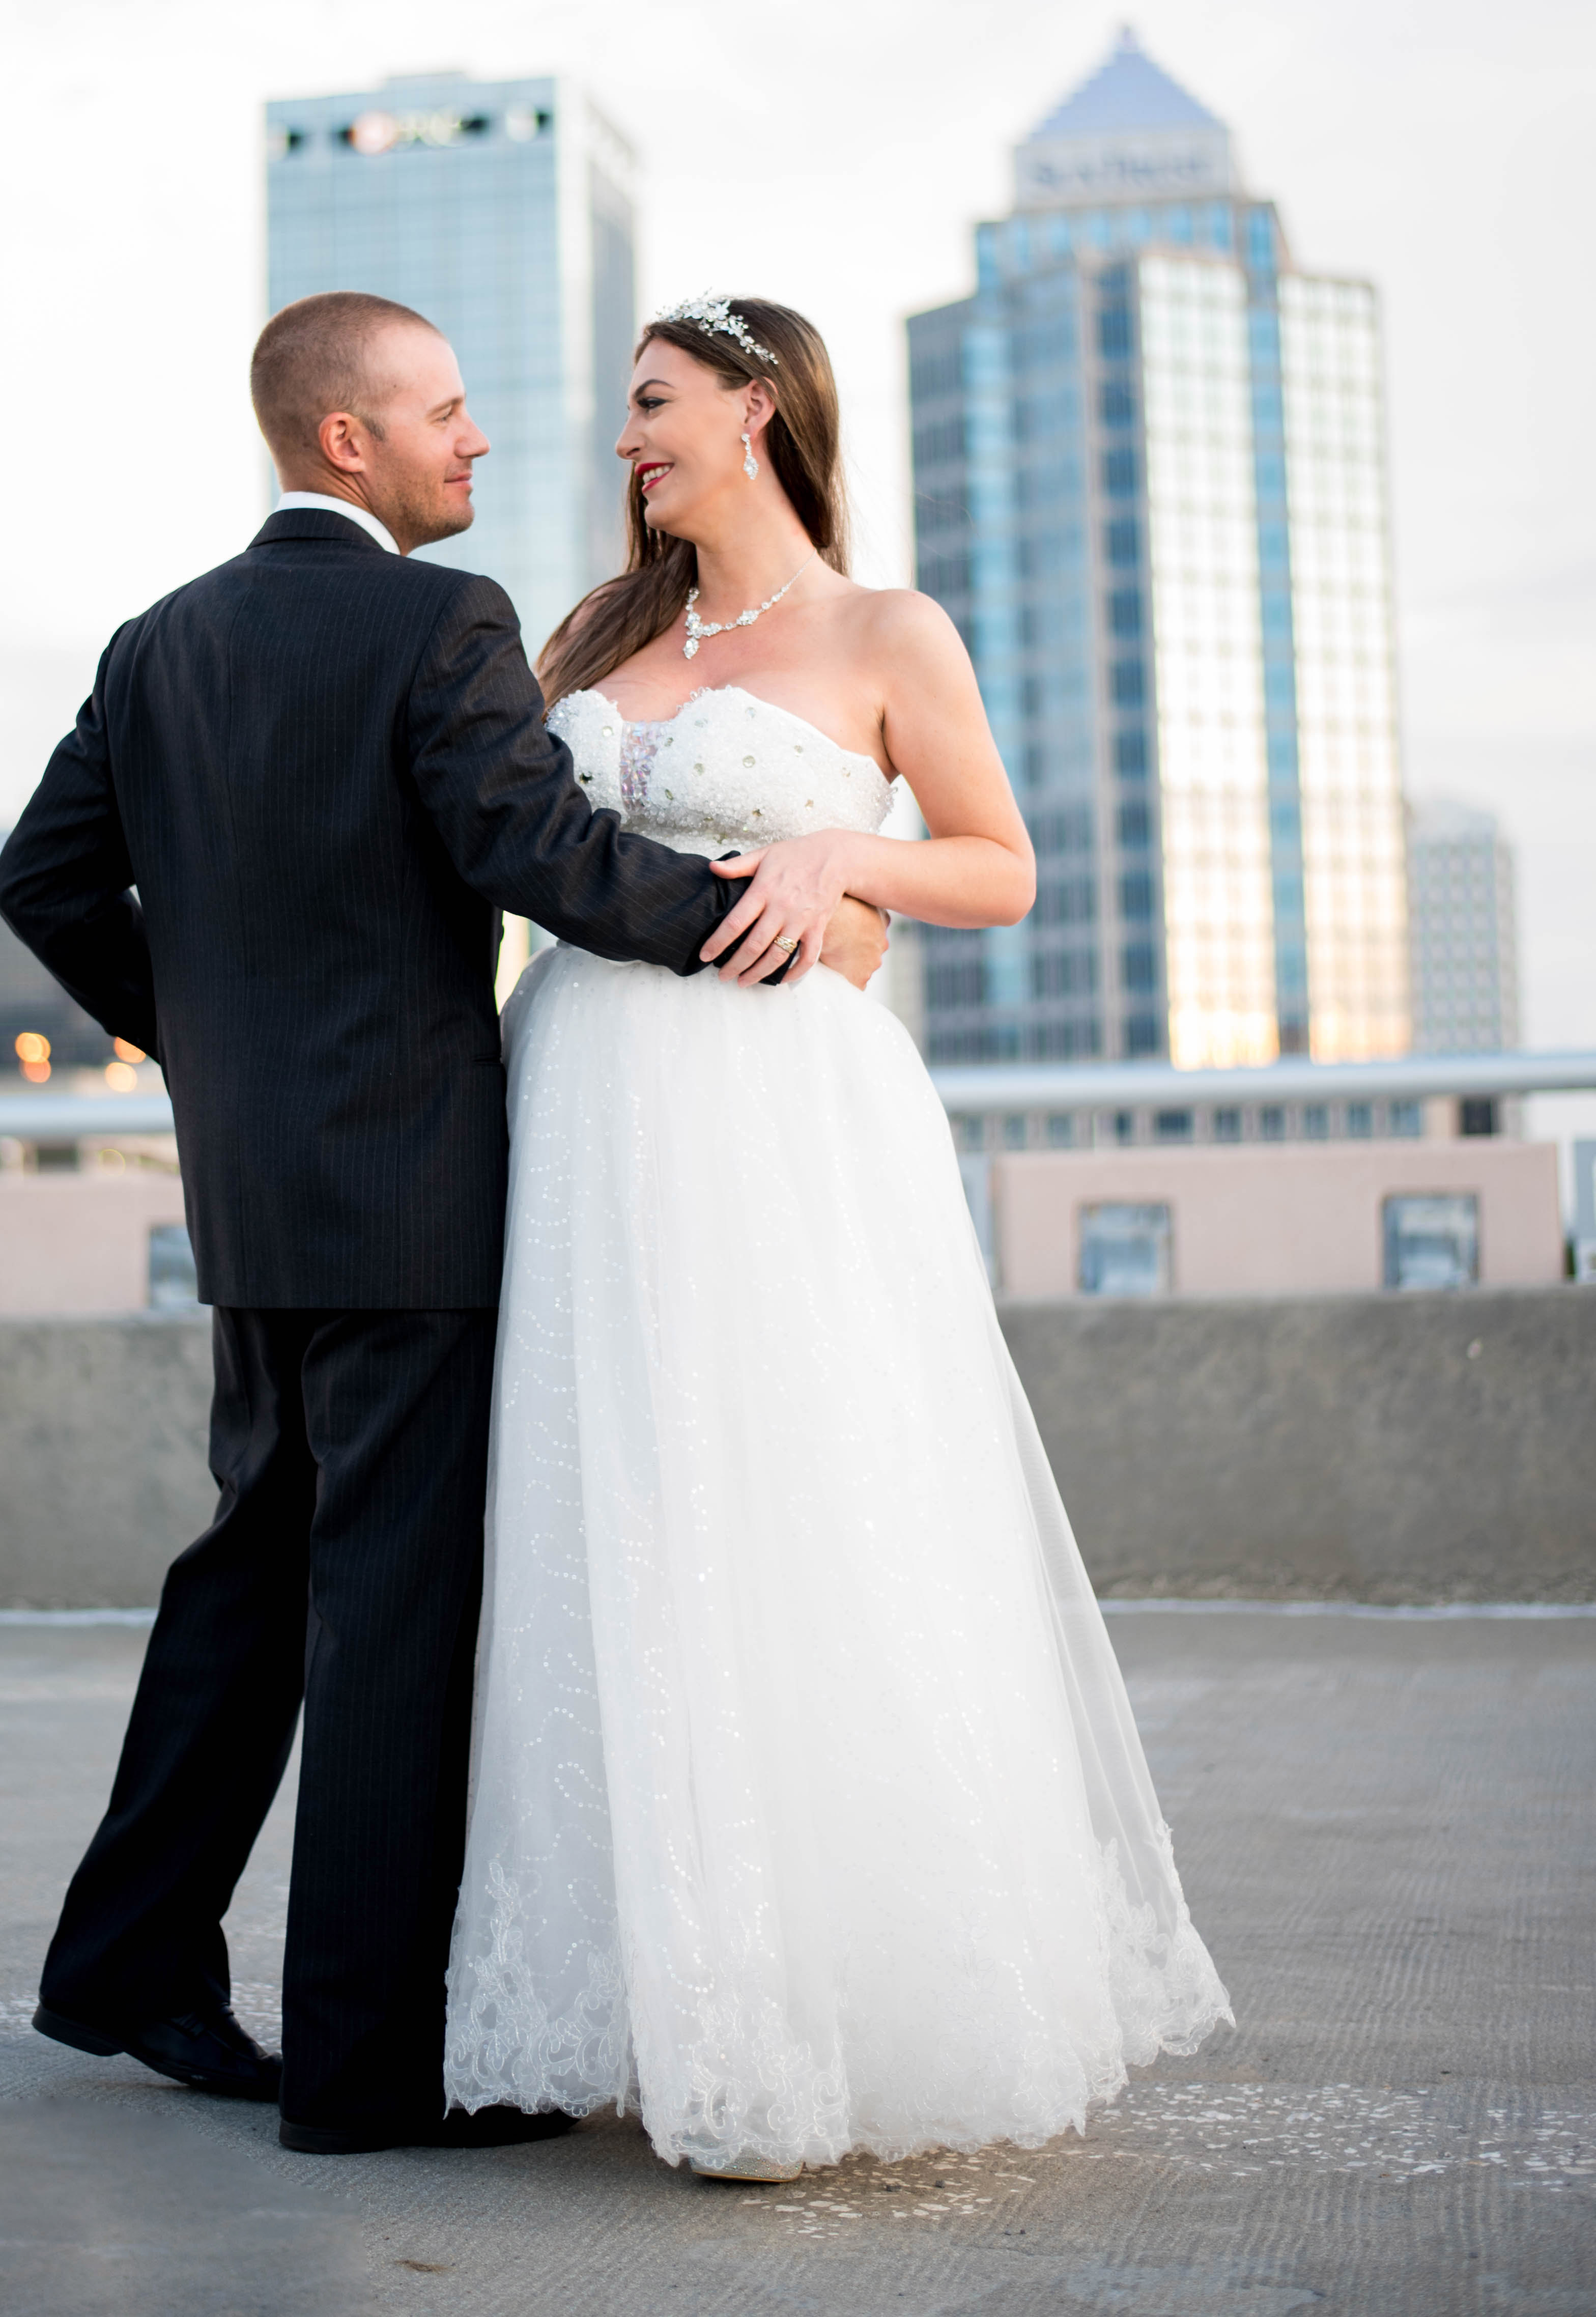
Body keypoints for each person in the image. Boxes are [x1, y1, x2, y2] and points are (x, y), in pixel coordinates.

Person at [0, 288, 888, 2157]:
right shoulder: (439, 621)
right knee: (386, 1614)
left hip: (253, 1196)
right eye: (448, 414)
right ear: (350, 441)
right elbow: (529, 851)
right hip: (410, 1191)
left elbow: (42, 878)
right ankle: (361, 2073)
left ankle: (128, 1959)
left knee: (251, 1570)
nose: (478, 444)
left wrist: (209, 1039)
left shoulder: (158, 644)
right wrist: (746, 920)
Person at [444, 290, 1233, 2180]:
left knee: (782, 1510)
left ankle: (802, 2006)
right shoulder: (592, 635)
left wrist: (843, 861)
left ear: (758, 409)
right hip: (574, 1115)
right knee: (596, 1523)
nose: (623, 440)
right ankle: (629, 1998)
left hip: (772, 1132)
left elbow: (1000, 864)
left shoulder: (889, 631)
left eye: (652, 405)